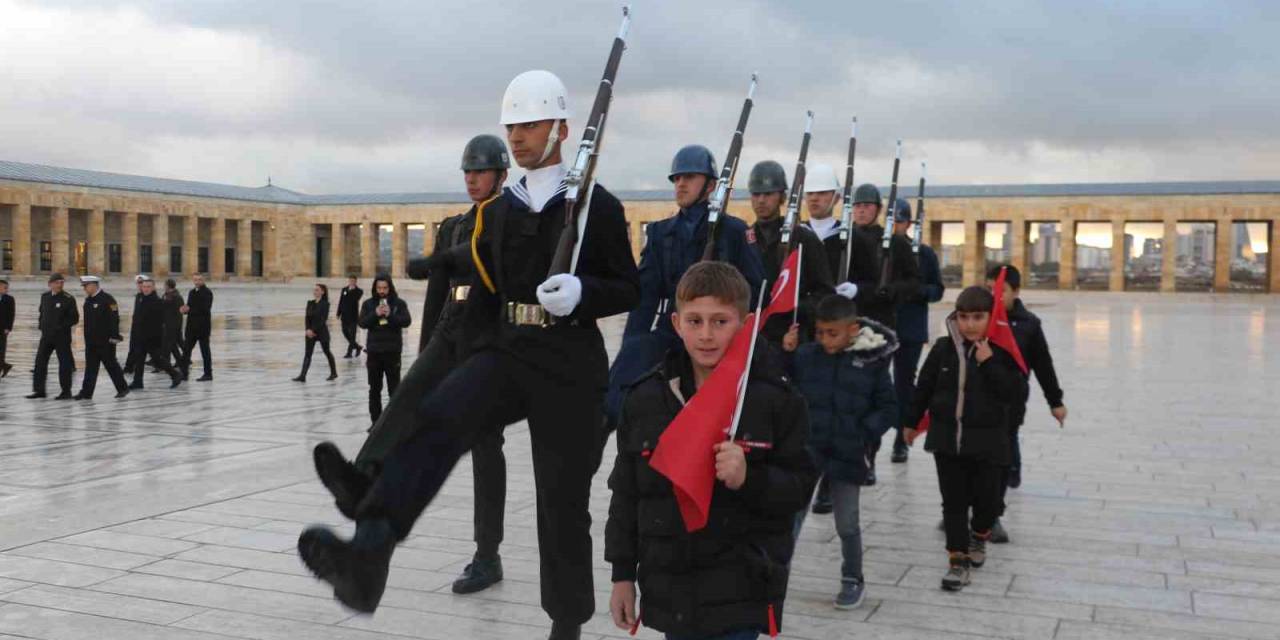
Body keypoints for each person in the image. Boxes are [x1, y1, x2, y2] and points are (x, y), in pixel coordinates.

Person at [300, 69, 640, 640]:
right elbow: (481, 279)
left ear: (561, 127)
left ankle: (567, 624)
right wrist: (449, 344)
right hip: (509, 348)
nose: (518, 137)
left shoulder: (594, 207)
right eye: (512, 127)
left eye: (530, 124)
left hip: (569, 364)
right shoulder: (500, 211)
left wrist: (584, 295)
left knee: (561, 504)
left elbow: (627, 286)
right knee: (438, 419)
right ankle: (370, 553)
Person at [605, 261, 816, 640]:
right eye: (695, 321)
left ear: (745, 323)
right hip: (670, 589)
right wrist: (622, 574)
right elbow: (627, 494)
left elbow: (799, 486)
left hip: (741, 589)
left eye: (721, 321)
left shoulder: (776, 400)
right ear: (676, 323)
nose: (706, 335)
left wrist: (750, 478)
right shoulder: (646, 399)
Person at [605, 144, 764, 427]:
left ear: (711, 185)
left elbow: (756, 291)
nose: (680, 184)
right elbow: (645, 297)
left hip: (720, 332)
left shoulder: (735, 232)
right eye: (677, 178)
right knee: (625, 372)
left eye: (689, 177)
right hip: (673, 329)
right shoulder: (659, 233)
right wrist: (632, 346)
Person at [903, 286, 1027, 591]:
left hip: (988, 444)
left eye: (977, 317)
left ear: (990, 317)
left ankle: (980, 535)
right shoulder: (943, 349)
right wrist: (909, 423)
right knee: (954, 503)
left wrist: (989, 362)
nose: (969, 324)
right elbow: (923, 388)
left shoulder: (1002, 352)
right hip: (947, 442)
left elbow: (1015, 394)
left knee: (988, 503)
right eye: (963, 317)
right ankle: (957, 561)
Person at [783, 294, 897, 610]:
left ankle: (853, 578)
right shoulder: (807, 356)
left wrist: (863, 434)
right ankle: (777, 573)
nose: (824, 339)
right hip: (809, 450)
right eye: (819, 332)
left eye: (832, 333)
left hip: (848, 451)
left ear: (852, 329)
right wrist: (787, 353)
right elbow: (785, 387)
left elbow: (888, 407)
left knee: (847, 522)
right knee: (791, 515)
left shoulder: (872, 362)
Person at [984, 264, 1067, 543]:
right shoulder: (977, 318)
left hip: (1011, 403)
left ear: (1016, 292)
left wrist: (1055, 401)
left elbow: (1044, 365)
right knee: (973, 458)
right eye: (989, 290)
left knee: (998, 460)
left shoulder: (1029, 324)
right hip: (977, 403)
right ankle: (960, 511)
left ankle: (992, 516)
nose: (995, 296)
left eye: (1001, 291)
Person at [746, 159, 834, 347]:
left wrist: (793, 307)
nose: (761, 200)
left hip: (795, 337)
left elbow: (825, 293)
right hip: (754, 337)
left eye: (768, 194)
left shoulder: (803, 239)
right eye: (756, 194)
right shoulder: (746, 239)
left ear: (783, 198)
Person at [888, 199, 945, 464]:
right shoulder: (881, 251)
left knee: (903, 386)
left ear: (908, 224)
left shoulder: (924, 253)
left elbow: (937, 290)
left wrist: (919, 291)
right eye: (892, 221)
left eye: (900, 221)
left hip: (910, 328)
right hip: (883, 325)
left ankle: (901, 439)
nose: (896, 226)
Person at [357, 274, 411, 423]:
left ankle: (393, 424)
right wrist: (375, 314)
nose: (382, 291)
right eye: (379, 288)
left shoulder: (399, 304)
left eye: (385, 288)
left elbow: (406, 321)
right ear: (375, 288)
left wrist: (390, 316)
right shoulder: (368, 304)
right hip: (374, 353)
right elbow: (362, 323)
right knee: (374, 390)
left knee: (394, 391)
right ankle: (376, 423)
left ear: (390, 288)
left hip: (392, 352)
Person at [75, 276, 130, 400]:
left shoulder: (108, 299)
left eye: (86, 286)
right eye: (84, 286)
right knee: (90, 368)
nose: (84, 289)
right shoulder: (88, 300)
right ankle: (86, 392)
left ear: (94, 285)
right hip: (91, 341)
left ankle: (123, 388)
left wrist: (114, 336)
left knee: (111, 365)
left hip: (105, 341)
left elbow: (114, 319)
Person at [27, 273, 79, 399]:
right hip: (46, 336)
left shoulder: (68, 298)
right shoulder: (45, 297)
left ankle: (66, 391)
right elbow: (41, 313)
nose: (59, 285)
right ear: (50, 284)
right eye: (57, 282)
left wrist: (61, 327)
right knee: (40, 362)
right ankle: (39, 390)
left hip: (61, 337)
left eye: (61, 282)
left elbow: (74, 318)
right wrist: (41, 325)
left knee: (64, 364)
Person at [126, 276, 183, 390]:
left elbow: (161, 320)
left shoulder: (157, 301)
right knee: (140, 359)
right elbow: (137, 316)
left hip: (152, 337)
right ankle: (138, 382)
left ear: (153, 288)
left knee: (158, 359)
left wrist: (158, 336)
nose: (146, 289)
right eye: (144, 287)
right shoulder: (139, 297)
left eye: (148, 287)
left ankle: (175, 374)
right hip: (140, 335)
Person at [293, 284, 339, 382]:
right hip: (310, 332)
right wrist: (307, 330)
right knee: (308, 354)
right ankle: (302, 376)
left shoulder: (325, 304)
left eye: (317, 290)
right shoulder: (310, 303)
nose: (315, 292)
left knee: (327, 352)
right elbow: (307, 318)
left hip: (322, 332)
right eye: (314, 290)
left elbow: (323, 320)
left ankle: (334, 373)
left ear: (323, 292)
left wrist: (313, 330)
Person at [180, 273, 214, 381]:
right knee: (186, 350)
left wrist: (190, 310)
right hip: (191, 327)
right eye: (195, 280)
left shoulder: (207, 293)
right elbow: (189, 305)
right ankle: (184, 373)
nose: (197, 282)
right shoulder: (191, 292)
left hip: (203, 327)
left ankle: (208, 374)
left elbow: (205, 309)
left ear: (203, 280)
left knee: (205, 351)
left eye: (199, 280)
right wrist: (185, 310)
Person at [123, 275, 146, 372]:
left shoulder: (148, 296)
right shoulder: (138, 296)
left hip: (144, 328)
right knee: (132, 347)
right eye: (138, 283)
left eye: (141, 283)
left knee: (146, 351)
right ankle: (129, 367)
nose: (139, 285)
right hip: (136, 326)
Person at [162, 279, 185, 375]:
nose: (164, 287)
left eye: (165, 285)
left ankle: (176, 362)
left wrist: (177, 326)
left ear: (168, 286)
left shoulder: (176, 297)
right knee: (171, 345)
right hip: (167, 324)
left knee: (170, 345)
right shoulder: (166, 295)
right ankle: (179, 362)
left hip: (173, 325)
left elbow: (179, 312)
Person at [337, 276, 364, 358]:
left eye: (353, 281)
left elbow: (354, 299)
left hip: (353, 316)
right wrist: (338, 312)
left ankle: (349, 353)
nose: (351, 282)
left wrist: (351, 290)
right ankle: (357, 347)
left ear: (356, 282)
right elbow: (341, 301)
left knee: (352, 335)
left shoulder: (359, 291)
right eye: (350, 280)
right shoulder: (344, 289)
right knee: (345, 332)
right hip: (344, 316)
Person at [0, 278, 13, 379]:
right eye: (5, 288)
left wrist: (8, 328)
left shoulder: (9, 299)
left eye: (7, 288)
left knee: (1, 349)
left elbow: (11, 314)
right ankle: (5, 366)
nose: (6, 289)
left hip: (3, 328)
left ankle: (3, 366)